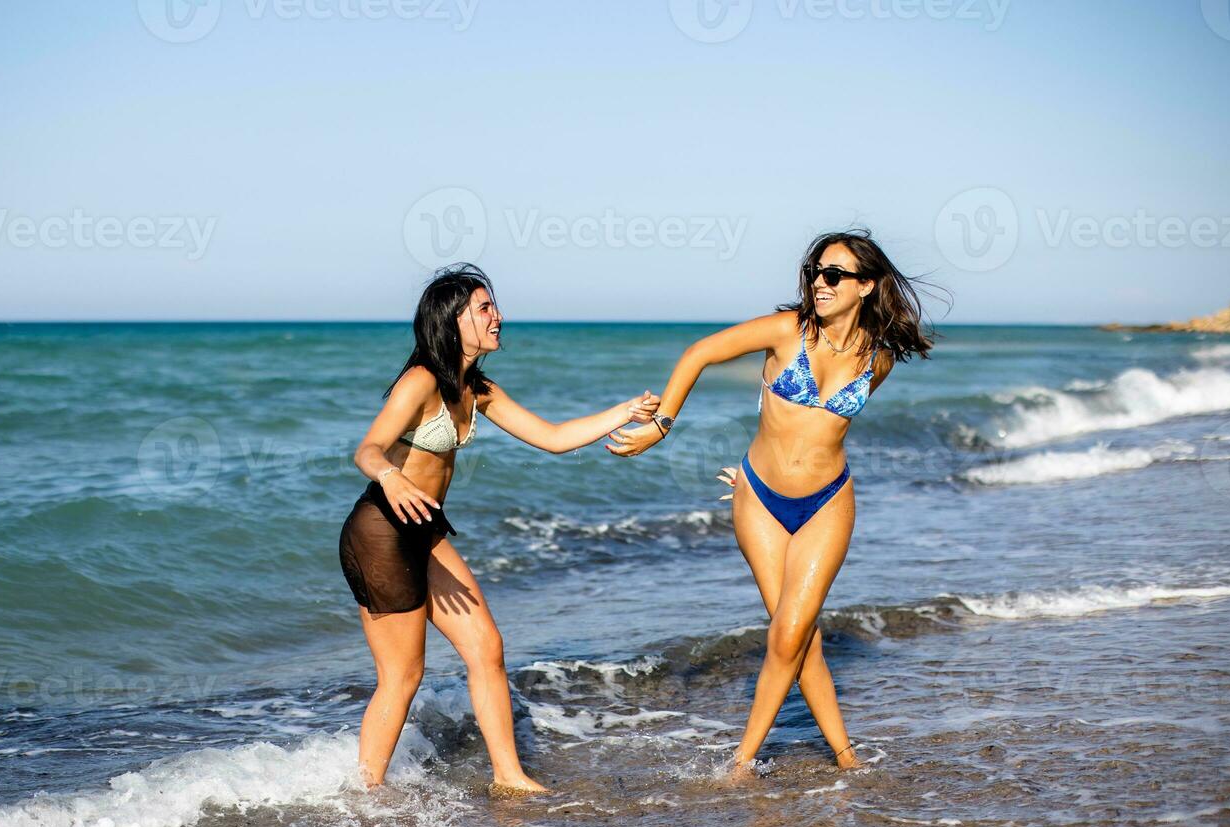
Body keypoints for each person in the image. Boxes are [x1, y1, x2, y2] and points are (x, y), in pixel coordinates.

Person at [608, 230, 936, 779]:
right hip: (758, 498)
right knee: (795, 635)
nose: (819, 283)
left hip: (829, 501)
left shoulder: (878, 360)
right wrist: (661, 425)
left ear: (866, 286)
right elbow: (701, 353)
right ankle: (845, 756)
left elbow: (820, 434)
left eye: (833, 275)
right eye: (815, 271)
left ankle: (743, 761)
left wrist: (793, 459)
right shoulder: (787, 331)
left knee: (792, 633)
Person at [341, 263, 660, 793]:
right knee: (403, 675)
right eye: (485, 308)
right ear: (453, 320)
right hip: (381, 531)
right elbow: (367, 449)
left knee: (487, 646)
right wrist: (392, 478)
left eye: (494, 306)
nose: (498, 317)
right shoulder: (420, 381)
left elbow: (554, 437)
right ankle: (365, 795)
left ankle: (508, 776)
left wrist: (625, 411)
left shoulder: (477, 389)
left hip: (424, 529)